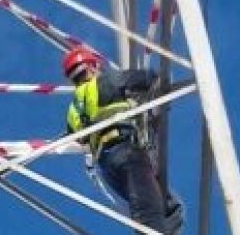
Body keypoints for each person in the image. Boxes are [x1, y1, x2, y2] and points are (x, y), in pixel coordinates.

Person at [63, 46, 183, 235]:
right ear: (91, 67)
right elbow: (147, 79)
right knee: (151, 210)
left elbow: (76, 137)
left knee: (163, 205)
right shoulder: (105, 82)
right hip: (126, 151)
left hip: (107, 167)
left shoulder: (73, 110)